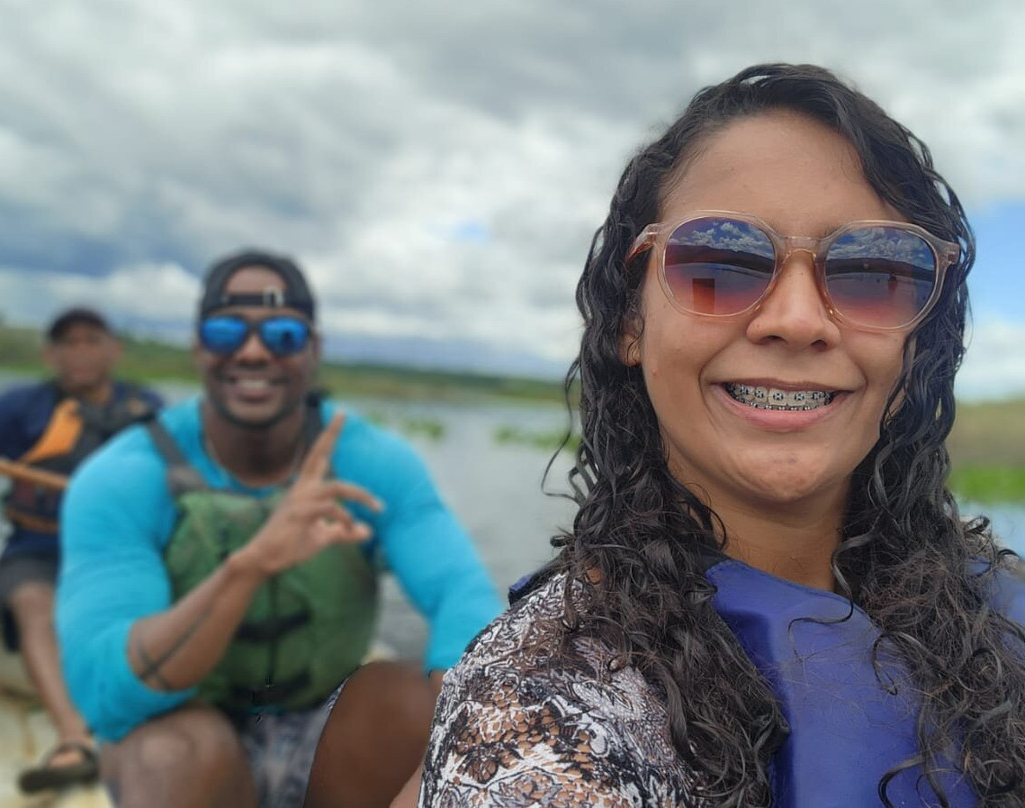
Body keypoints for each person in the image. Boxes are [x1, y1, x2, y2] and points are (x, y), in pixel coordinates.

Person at [414, 64, 1025, 807]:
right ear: (630, 324)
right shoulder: (545, 714)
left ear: (918, 340)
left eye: (873, 270)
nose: (797, 321)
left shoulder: (999, 600)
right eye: (720, 263)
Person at [56, 249, 504, 808]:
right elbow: (107, 692)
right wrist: (248, 567)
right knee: (166, 755)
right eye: (226, 333)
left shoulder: (371, 463)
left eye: (283, 335)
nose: (252, 352)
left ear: (312, 350)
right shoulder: (123, 477)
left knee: (415, 701)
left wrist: (459, 743)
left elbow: (461, 596)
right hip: (189, 726)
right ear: (199, 347)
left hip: (326, 725)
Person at [0, 307, 162, 793]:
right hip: (38, 549)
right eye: (68, 342)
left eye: (91, 340)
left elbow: (185, 476)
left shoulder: (148, 410)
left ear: (114, 350)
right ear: (50, 354)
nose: (79, 351)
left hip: (116, 551)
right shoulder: (22, 407)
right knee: (33, 604)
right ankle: (74, 737)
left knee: (159, 605)